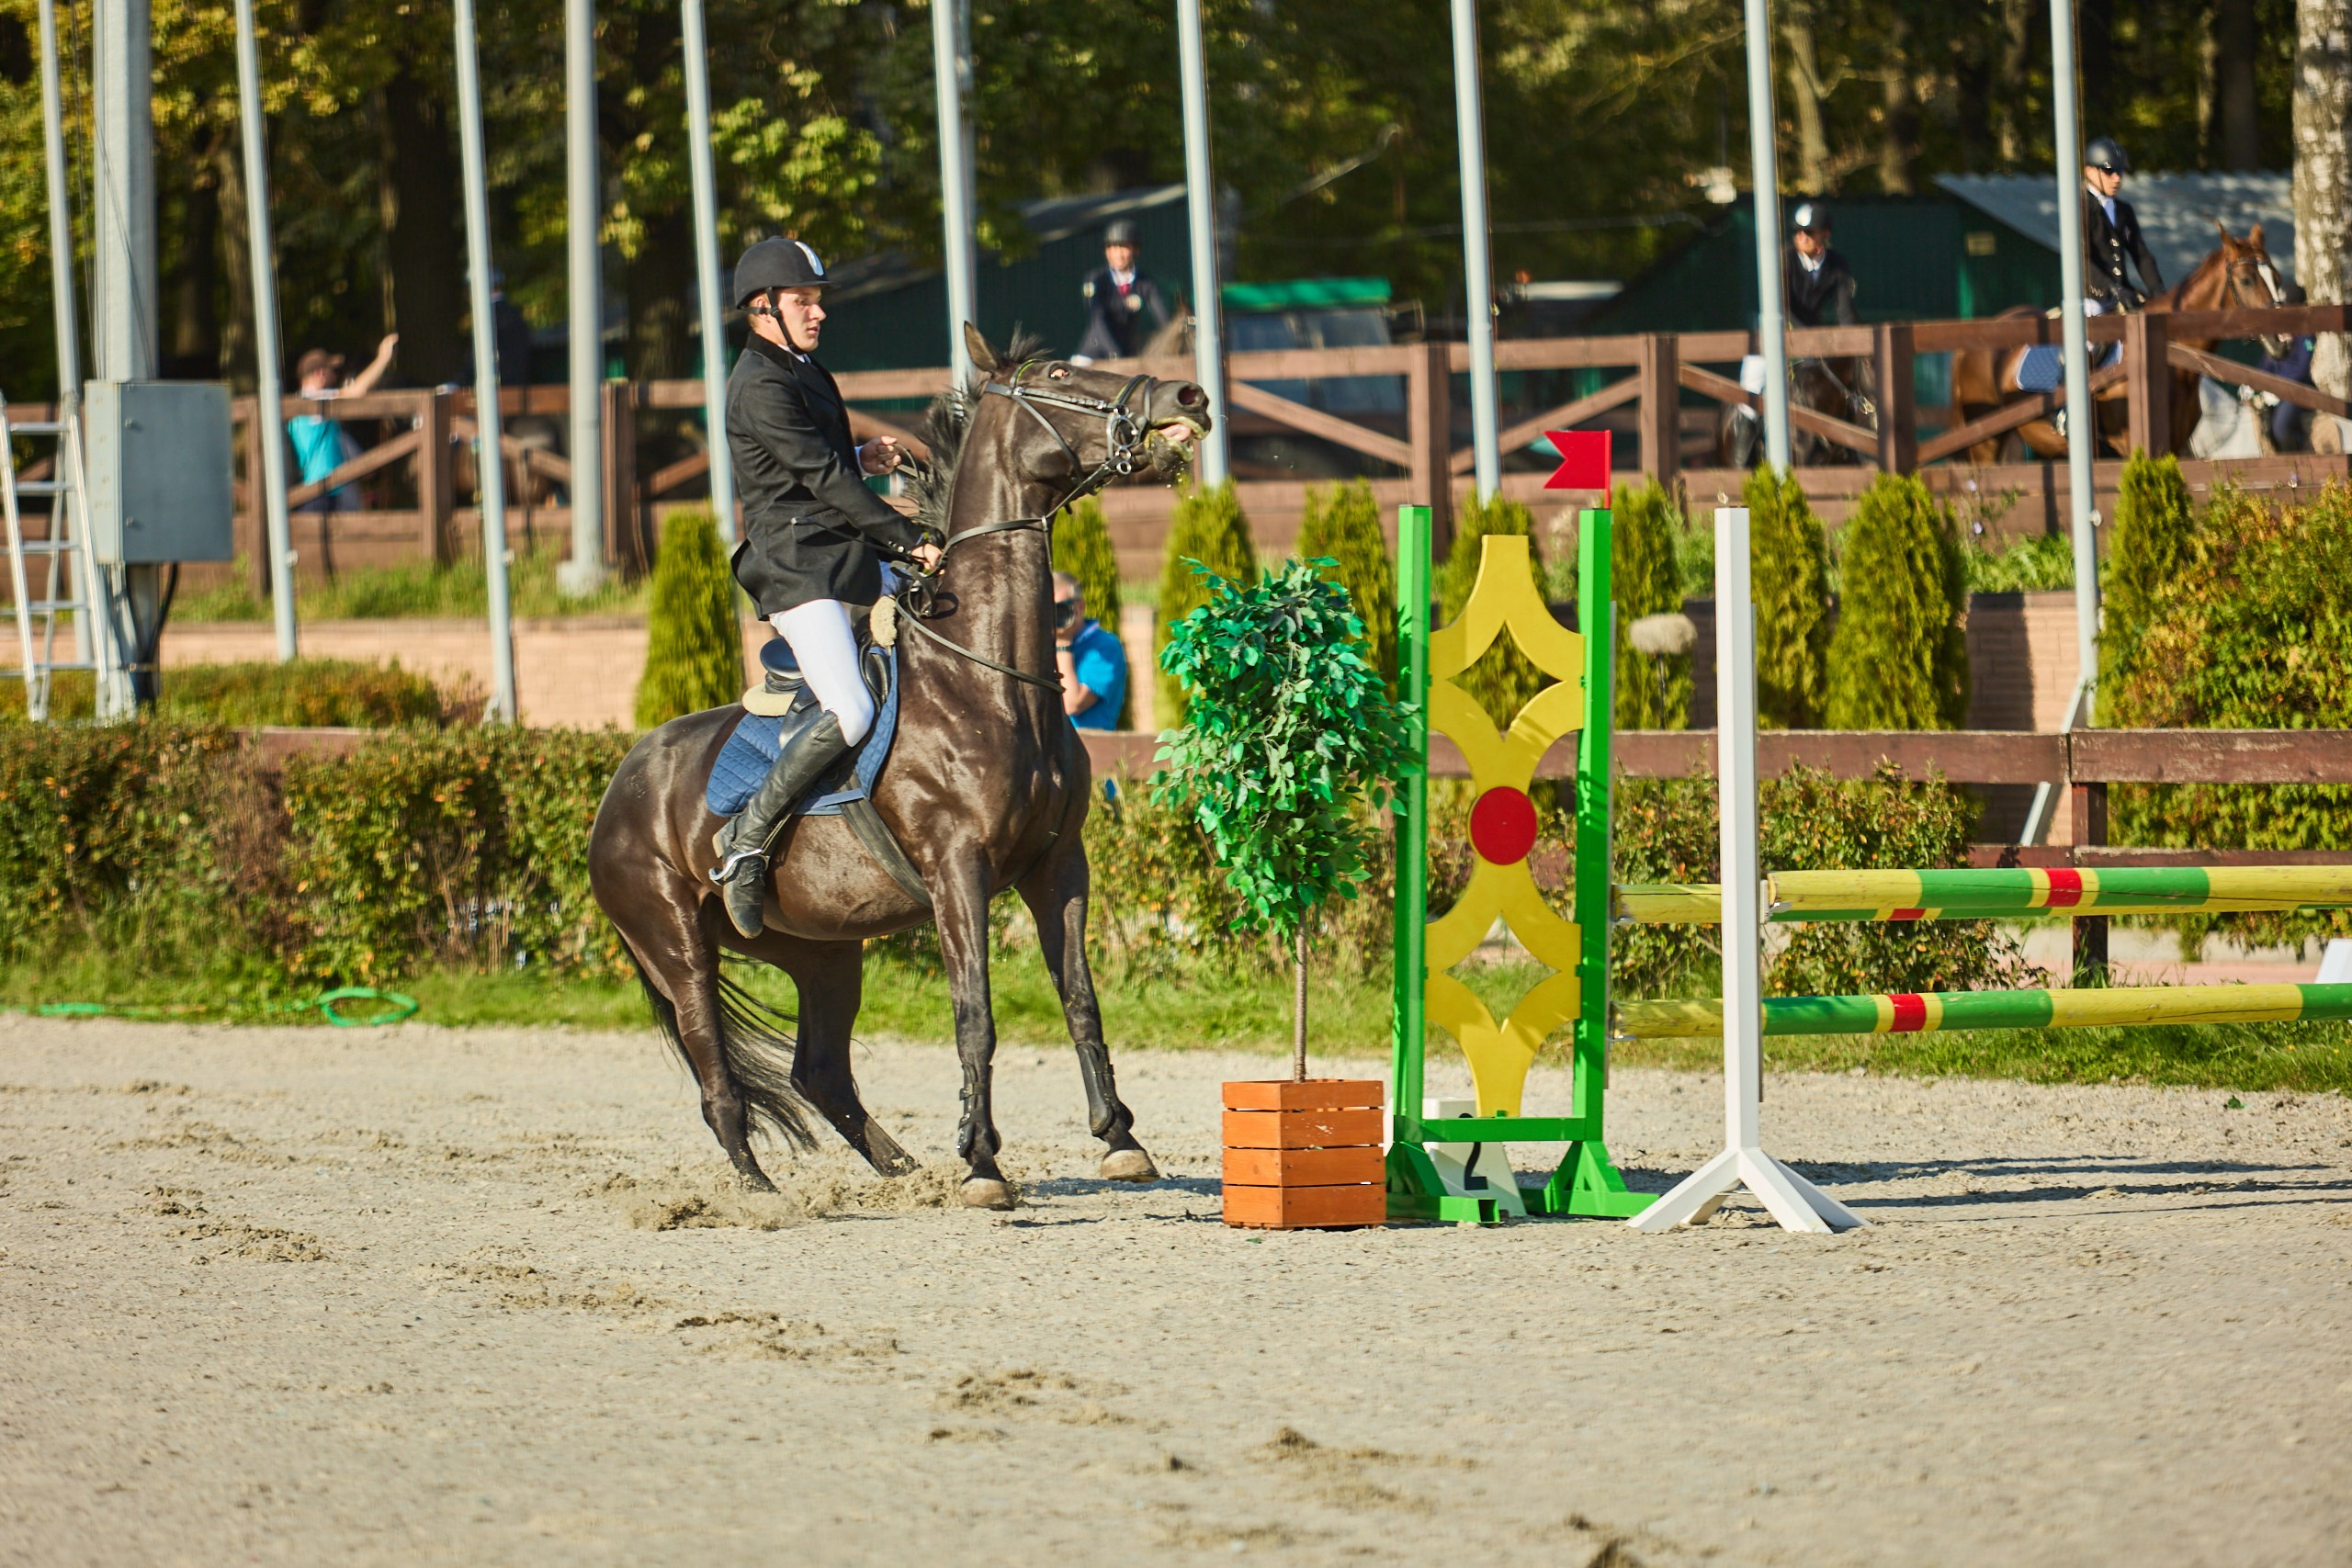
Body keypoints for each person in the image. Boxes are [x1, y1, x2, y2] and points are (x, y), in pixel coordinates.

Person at [707, 236, 943, 938]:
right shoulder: (757, 383)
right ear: (763, 308)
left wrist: (862, 456)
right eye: (803, 302)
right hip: (797, 566)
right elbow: (822, 484)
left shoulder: (801, 367)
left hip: (837, 552)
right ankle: (746, 843)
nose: (818, 313)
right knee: (850, 709)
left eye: (816, 301)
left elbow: (825, 465)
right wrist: (907, 536)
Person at [287, 334, 398, 513]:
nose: (335, 375)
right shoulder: (315, 401)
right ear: (319, 373)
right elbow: (357, 391)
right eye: (332, 370)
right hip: (321, 491)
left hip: (315, 491)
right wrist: (383, 358)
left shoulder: (302, 406)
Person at [1071, 219, 1171, 364]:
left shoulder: (1145, 283)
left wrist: (1173, 335)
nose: (1117, 254)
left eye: (1123, 247)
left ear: (1135, 250)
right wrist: (1114, 353)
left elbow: (1163, 318)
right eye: (1112, 248)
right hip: (1094, 354)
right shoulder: (1095, 280)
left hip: (1128, 355)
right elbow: (1097, 320)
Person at [2083, 137, 2165, 312]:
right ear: (2089, 172)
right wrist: (2113, 288)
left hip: (2122, 293)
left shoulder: (2124, 210)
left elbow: (2141, 255)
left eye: (2120, 171)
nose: (2117, 178)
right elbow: (2081, 261)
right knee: (2094, 318)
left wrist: (2160, 294)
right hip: (2091, 297)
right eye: (2109, 171)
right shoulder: (2080, 208)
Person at [1052, 571, 1127, 731]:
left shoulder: (1105, 647)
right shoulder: (1042, 644)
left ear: (1079, 607)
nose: (1053, 616)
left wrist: (1063, 644)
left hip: (1091, 748)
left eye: (1059, 608)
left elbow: (1071, 704)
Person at [1783, 201, 1857, 328]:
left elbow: (1846, 312)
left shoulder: (1837, 264)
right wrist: (1806, 335)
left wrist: (1849, 337)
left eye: (1809, 232)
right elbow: (1781, 308)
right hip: (1781, 335)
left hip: (1813, 331)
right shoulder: (1784, 259)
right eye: (1798, 231)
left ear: (1826, 234)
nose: (1802, 237)